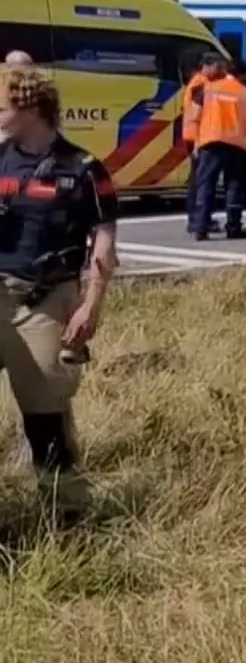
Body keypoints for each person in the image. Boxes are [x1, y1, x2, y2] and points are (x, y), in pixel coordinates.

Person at [0, 64, 119, 514]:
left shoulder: (83, 169)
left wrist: (90, 305)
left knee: (45, 418)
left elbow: (104, 241)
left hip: (44, 302)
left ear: (30, 107)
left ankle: (67, 514)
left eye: (0, 108)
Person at [188, 58, 246, 240]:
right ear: (242, 75)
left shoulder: (208, 88)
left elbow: (195, 116)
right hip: (236, 145)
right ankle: (233, 226)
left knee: (206, 185)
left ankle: (200, 227)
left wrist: (196, 143)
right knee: (234, 186)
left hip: (210, 143)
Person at [180, 54, 221, 235]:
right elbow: (198, 115)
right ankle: (197, 219)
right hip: (196, 137)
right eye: (217, 67)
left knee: (198, 180)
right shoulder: (201, 84)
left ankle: (198, 218)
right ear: (207, 66)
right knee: (200, 182)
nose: (220, 71)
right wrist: (198, 142)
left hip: (195, 136)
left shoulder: (199, 82)